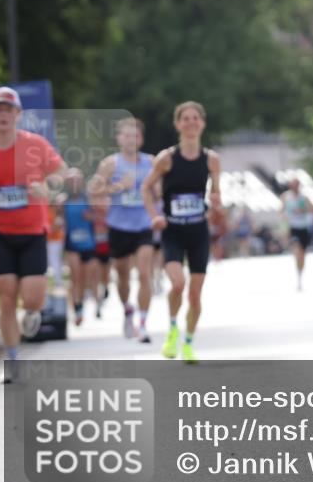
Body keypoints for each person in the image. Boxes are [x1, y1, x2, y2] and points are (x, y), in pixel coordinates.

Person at [0, 87, 67, 383]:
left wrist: (48, 187)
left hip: (33, 231)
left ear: (18, 115)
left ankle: (32, 313)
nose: (4, 114)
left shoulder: (35, 145)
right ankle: (13, 358)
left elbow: (62, 172)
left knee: (32, 298)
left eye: (9, 109)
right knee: (6, 295)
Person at [141, 101, 221, 364]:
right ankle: (173, 328)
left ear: (203, 123)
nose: (190, 123)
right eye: (185, 119)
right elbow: (146, 188)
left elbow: (216, 191)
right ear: (177, 125)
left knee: (195, 295)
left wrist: (216, 201)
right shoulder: (166, 158)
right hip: (173, 231)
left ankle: (188, 343)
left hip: (198, 231)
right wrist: (155, 216)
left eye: (195, 118)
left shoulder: (211, 159)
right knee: (177, 284)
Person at [93, 117, 156, 342]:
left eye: (135, 135)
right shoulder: (111, 163)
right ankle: (127, 310)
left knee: (145, 273)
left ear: (141, 138)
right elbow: (94, 191)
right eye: (127, 135)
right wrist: (120, 186)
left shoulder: (151, 162)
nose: (131, 139)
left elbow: (161, 190)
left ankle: (143, 323)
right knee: (122, 275)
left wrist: (154, 192)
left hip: (143, 225)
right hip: (118, 226)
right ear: (119, 139)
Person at [60, 169, 99, 325]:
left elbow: (101, 217)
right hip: (72, 244)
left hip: (88, 243)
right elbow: (57, 221)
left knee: (85, 279)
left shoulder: (88, 200)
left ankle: (80, 304)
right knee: (75, 277)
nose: (74, 183)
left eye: (77, 180)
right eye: (71, 180)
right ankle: (76, 308)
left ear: (82, 182)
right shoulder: (63, 201)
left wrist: (92, 217)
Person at [281, 177, 313, 291]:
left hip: (304, 227)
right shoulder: (286, 197)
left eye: (296, 185)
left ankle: (300, 275)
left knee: (302, 255)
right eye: (293, 185)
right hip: (293, 228)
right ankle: (298, 275)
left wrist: (303, 210)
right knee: (297, 251)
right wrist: (284, 223)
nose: (294, 187)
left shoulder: (304, 198)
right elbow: (281, 211)